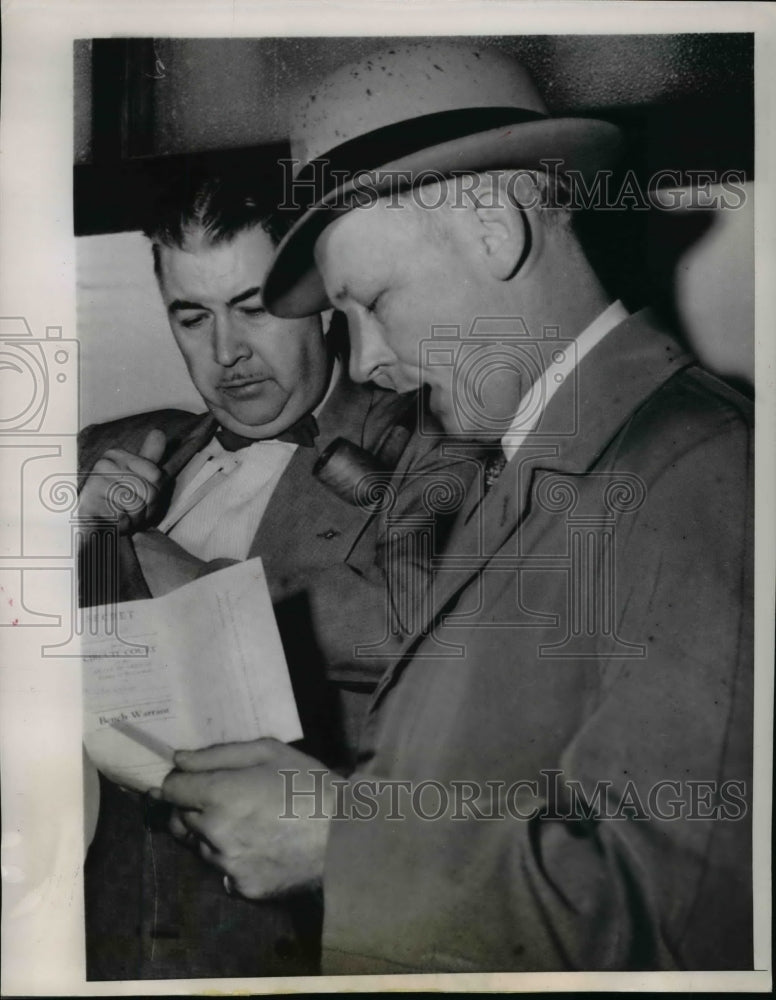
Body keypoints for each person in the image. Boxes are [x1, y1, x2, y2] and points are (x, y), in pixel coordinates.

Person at [159, 44, 753, 973]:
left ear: (494, 227)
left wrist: (340, 844)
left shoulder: (703, 469)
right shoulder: (529, 467)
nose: (365, 363)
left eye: (376, 302)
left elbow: (684, 918)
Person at [78, 168, 471, 979]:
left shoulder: (435, 444)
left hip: (299, 950)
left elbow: (432, 627)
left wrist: (198, 587)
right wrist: (63, 546)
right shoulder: (107, 448)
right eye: (193, 317)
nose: (227, 353)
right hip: (99, 938)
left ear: (320, 295)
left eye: (254, 308)